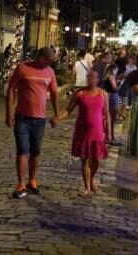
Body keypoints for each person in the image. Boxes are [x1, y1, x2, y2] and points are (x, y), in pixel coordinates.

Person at [5, 47, 60, 199]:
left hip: (39, 119)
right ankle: (21, 183)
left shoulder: (49, 72)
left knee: (35, 151)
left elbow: (55, 92)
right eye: (49, 61)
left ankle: (32, 180)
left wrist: (56, 115)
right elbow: (11, 89)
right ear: (41, 57)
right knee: (22, 150)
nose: (51, 64)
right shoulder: (23, 68)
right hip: (22, 118)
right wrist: (9, 113)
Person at [53, 69, 109, 197]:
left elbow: (107, 114)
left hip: (98, 131)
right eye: (89, 77)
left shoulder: (102, 94)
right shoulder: (80, 93)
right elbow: (68, 110)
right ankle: (87, 188)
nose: (91, 80)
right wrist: (57, 118)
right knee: (85, 159)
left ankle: (91, 179)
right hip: (83, 130)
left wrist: (109, 132)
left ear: (98, 79)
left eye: (93, 77)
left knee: (97, 160)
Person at [102, 61, 121, 145]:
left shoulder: (105, 77)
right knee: (112, 118)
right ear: (113, 70)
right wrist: (121, 84)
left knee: (108, 117)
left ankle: (107, 136)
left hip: (107, 97)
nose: (117, 72)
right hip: (113, 97)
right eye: (116, 70)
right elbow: (115, 89)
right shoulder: (111, 77)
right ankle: (111, 137)